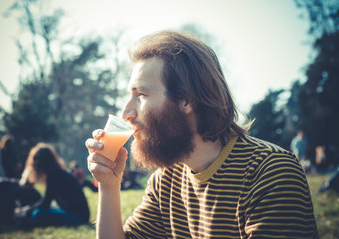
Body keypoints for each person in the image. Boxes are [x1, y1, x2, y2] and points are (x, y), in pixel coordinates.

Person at [86, 30, 318, 238]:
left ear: (187, 100)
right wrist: (109, 185)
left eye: (142, 95)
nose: (126, 112)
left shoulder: (270, 172)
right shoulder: (165, 180)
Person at [17, 143, 90, 227]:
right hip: (79, 215)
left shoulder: (53, 175)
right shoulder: (56, 172)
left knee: (38, 214)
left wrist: (26, 211)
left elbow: (45, 203)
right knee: (43, 210)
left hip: (78, 218)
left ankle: (27, 222)